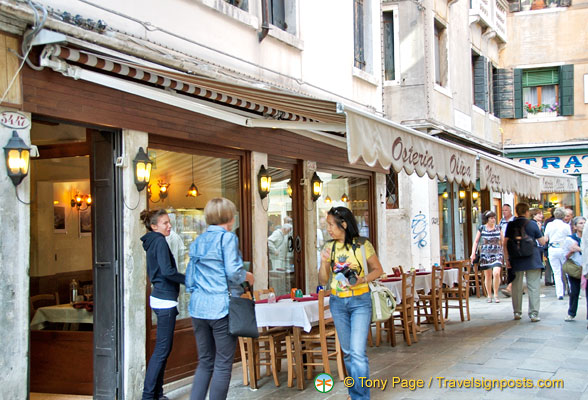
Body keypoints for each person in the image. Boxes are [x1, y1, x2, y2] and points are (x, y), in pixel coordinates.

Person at [185, 198, 254, 400]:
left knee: (205, 361)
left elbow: (189, 280)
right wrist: (247, 277)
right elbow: (233, 272)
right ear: (230, 218)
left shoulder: (198, 241)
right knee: (223, 364)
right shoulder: (228, 238)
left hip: (198, 308)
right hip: (222, 307)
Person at [318, 206, 384, 400]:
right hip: (338, 303)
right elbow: (323, 281)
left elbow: (378, 270)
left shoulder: (363, 244)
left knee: (357, 351)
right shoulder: (328, 247)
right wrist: (323, 264)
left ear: (344, 224)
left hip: (360, 302)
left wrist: (362, 280)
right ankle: (354, 392)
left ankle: (360, 397)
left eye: (331, 225)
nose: (328, 229)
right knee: (347, 352)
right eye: (327, 225)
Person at [140, 209, 186, 400]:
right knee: (161, 350)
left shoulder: (153, 241)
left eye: (169, 222)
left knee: (162, 349)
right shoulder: (159, 241)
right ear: (154, 226)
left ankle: (157, 394)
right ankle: (149, 396)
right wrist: (188, 279)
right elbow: (167, 271)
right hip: (165, 299)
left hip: (161, 297)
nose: (169, 226)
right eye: (165, 223)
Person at [503, 203, 547, 322]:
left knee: (516, 287)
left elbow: (505, 243)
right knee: (533, 287)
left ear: (516, 211)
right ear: (527, 212)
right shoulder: (532, 224)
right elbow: (542, 242)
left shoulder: (511, 225)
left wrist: (507, 259)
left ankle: (517, 312)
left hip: (516, 259)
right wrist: (546, 236)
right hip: (532, 259)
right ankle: (533, 314)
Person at [470, 210, 504, 303]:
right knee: (488, 275)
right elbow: (476, 241)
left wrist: (505, 252)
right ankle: (489, 295)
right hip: (485, 253)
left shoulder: (498, 228)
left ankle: (496, 294)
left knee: (496, 273)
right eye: (491, 218)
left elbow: (503, 240)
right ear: (487, 219)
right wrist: (473, 253)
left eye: (494, 218)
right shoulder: (482, 228)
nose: (493, 220)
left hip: (497, 252)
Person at [544, 207, 572, 300]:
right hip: (563, 249)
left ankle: (559, 293)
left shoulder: (549, 225)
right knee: (567, 271)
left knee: (556, 272)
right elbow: (569, 239)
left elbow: (546, 238)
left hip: (552, 249)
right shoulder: (566, 226)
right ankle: (571, 290)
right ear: (563, 216)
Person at [563, 216, 585, 322]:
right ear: (575, 226)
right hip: (575, 268)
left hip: (586, 268)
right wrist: (572, 251)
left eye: (584, 223)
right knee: (574, 291)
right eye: (580, 223)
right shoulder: (570, 239)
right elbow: (565, 256)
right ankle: (571, 313)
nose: (583, 225)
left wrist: (580, 249)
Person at [499, 204, 515, 297]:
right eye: (503, 210)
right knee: (509, 266)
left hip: (512, 245)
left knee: (513, 266)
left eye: (506, 210)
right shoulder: (501, 222)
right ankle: (512, 286)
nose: (504, 212)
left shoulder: (514, 220)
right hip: (504, 246)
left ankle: (510, 286)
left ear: (510, 211)